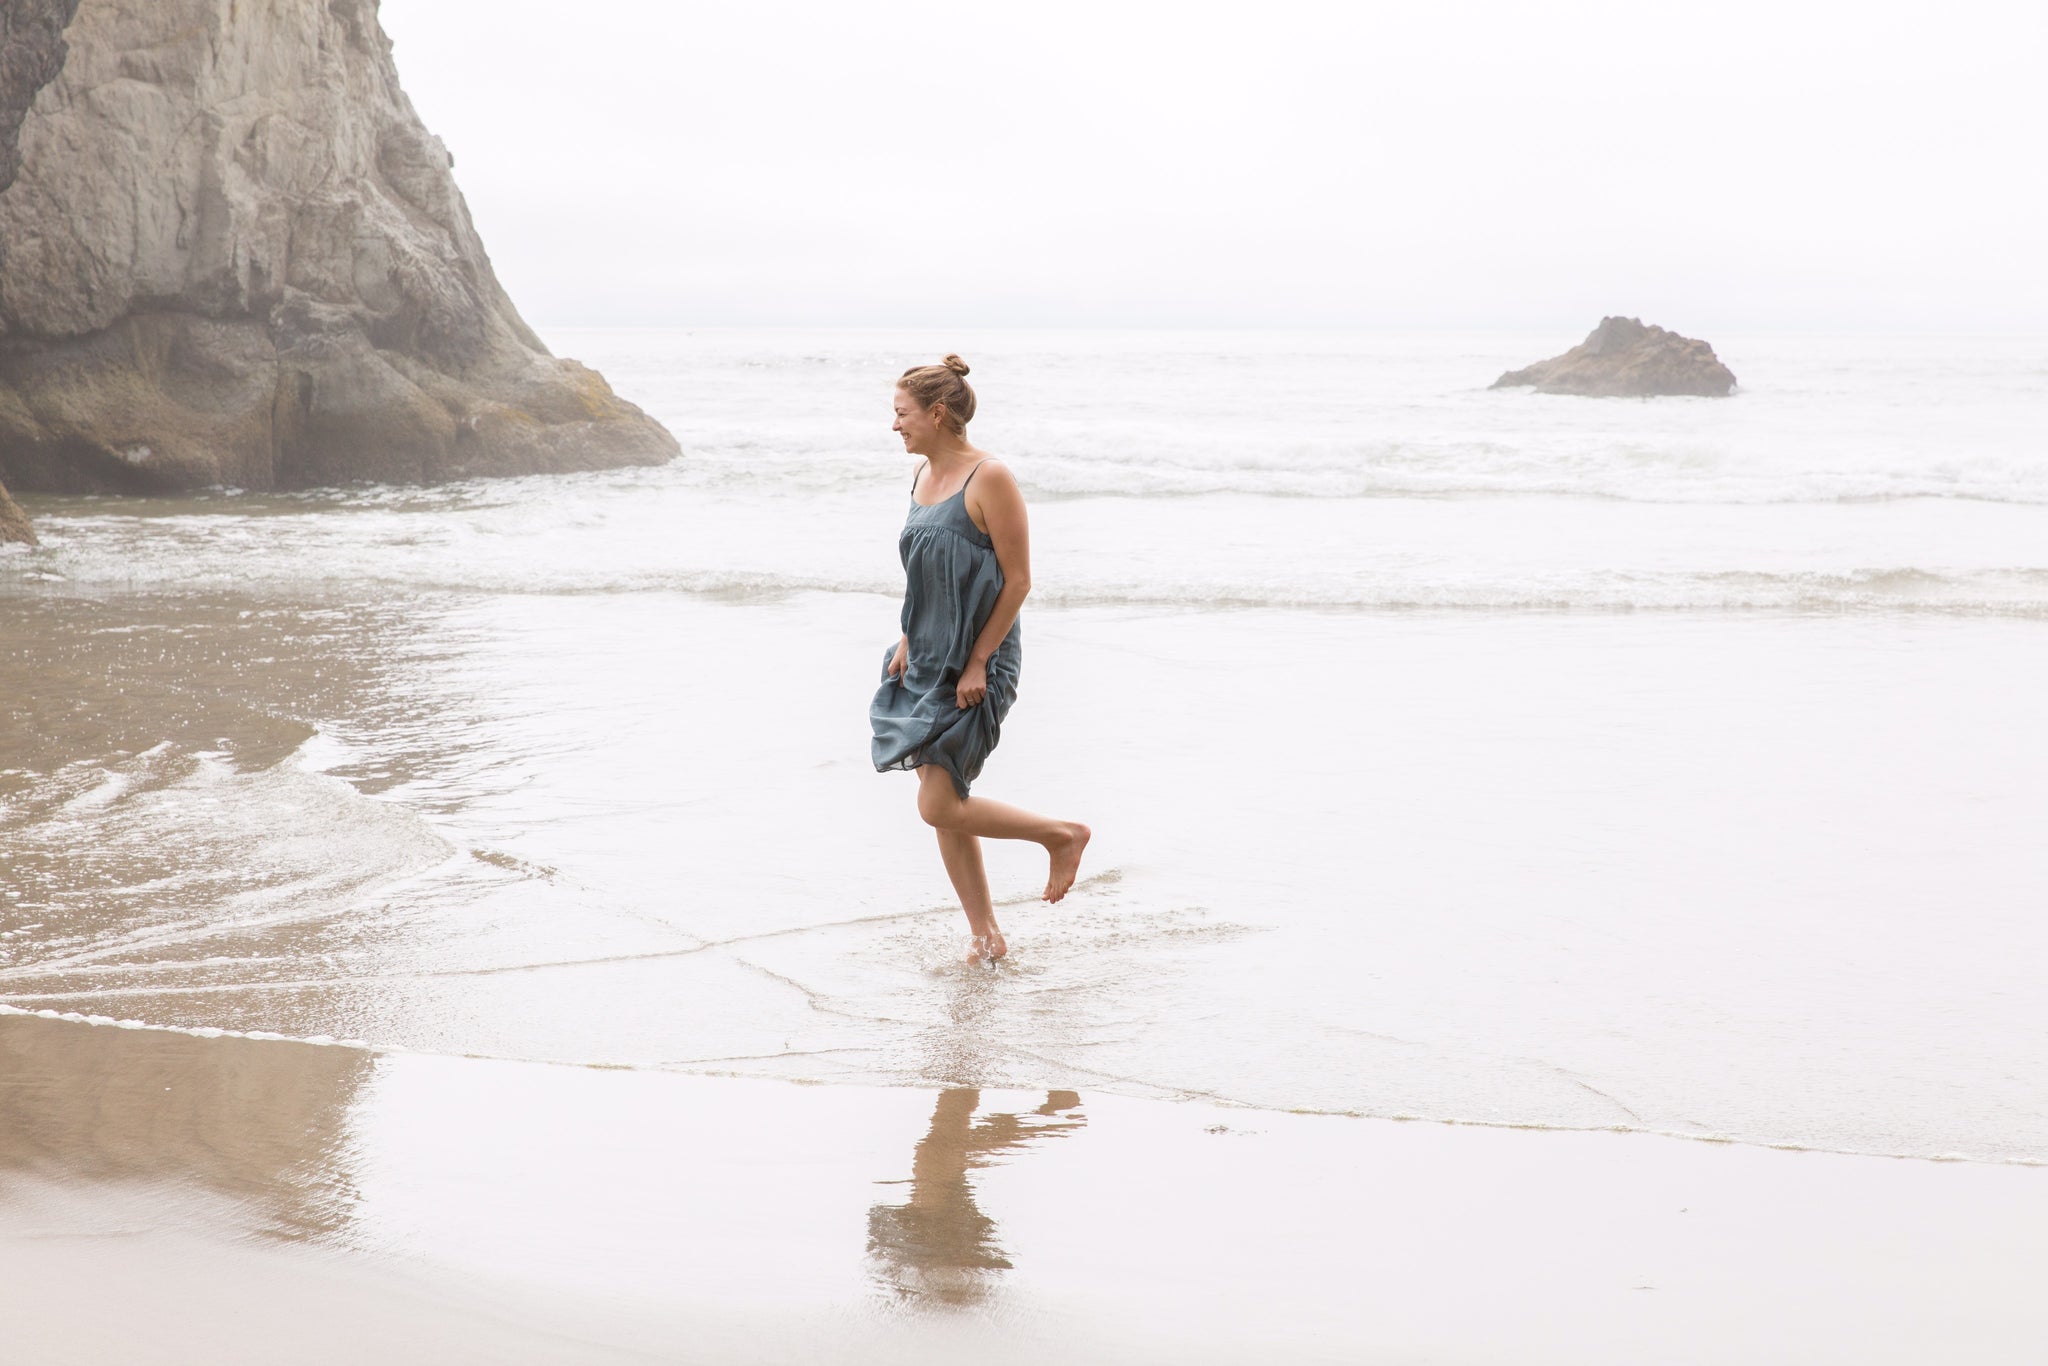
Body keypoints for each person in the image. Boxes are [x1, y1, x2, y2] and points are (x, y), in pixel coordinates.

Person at [870, 355, 1090, 961]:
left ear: (937, 413)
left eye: (901, 413)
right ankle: (986, 936)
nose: (895, 426)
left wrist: (977, 664)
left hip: (977, 661)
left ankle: (1061, 835)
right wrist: (909, 640)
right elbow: (923, 573)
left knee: (938, 802)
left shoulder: (989, 478)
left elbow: (1018, 582)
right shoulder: (920, 479)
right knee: (949, 805)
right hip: (923, 654)